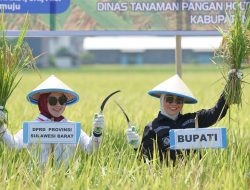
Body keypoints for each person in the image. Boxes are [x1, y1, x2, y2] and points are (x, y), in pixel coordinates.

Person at [126, 72, 241, 164]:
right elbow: (148, 161)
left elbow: (216, 113)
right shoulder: (153, 128)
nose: (174, 104)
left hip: (197, 179)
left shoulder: (193, 119)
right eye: (169, 99)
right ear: (161, 100)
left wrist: (231, 84)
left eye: (179, 100)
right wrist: (136, 146)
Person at [0, 75, 104, 168]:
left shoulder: (71, 127)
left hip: (66, 182)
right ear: (43, 102)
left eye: (62, 100)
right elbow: (13, 146)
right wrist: (1, 126)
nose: (58, 105)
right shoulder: (33, 127)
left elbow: (90, 150)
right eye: (53, 101)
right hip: (36, 182)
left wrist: (97, 132)